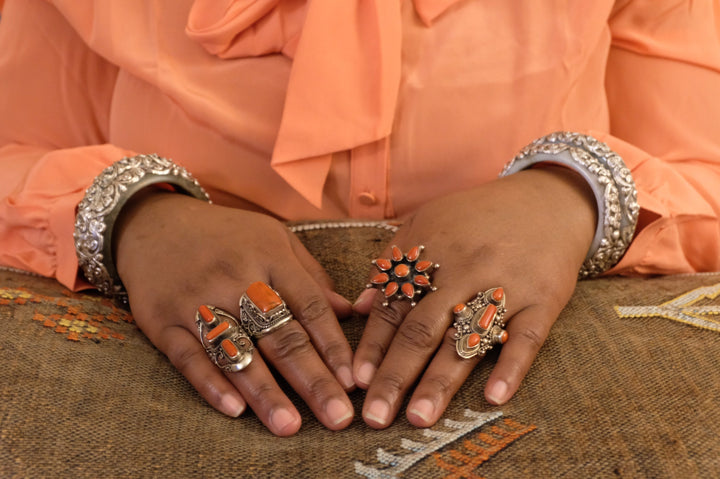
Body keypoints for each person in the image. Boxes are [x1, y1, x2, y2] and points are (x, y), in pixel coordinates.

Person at [1, 0, 719, 437]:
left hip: (558, 354)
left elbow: (703, 168)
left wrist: (570, 198)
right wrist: (130, 214)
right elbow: (15, 148)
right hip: (151, 364)